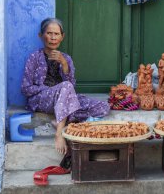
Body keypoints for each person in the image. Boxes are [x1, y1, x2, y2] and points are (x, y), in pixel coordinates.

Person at [21, 18, 110, 155]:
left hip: (65, 97)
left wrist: (64, 64)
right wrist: (49, 90)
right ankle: (60, 131)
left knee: (103, 106)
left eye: (56, 34)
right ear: (41, 36)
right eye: (49, 33)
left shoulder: (66, 58)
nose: (52, 38)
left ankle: (60, 120)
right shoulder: (34, 57)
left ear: (62, 37)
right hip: (42, 100)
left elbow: (71, 87)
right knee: (66, 87)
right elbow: (25, 88)